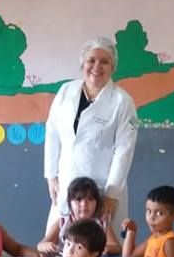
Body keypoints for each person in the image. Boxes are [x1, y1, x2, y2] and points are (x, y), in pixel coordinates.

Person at [44, 37, 138, 242]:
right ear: (82, 63)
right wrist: (51, 175)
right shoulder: (66, 91)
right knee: (63, 245)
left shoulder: (122, 102)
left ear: (113, 67)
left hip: (103, 188)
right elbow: (52, 133)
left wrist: (112, 194)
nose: (97, 67)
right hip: (67, 183)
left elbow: (124, 149)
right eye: (91, 60)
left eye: (104, 61)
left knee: (103, 246)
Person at [37, 176, 120, 257]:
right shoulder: (63, 222)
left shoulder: (101, 224)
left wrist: (105, 249)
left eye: (90, 199)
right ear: (70, 203)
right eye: (78, 200)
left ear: (97, 203)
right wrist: (48, 246)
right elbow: (40, 245)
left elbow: (117, 248)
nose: (84, 204)